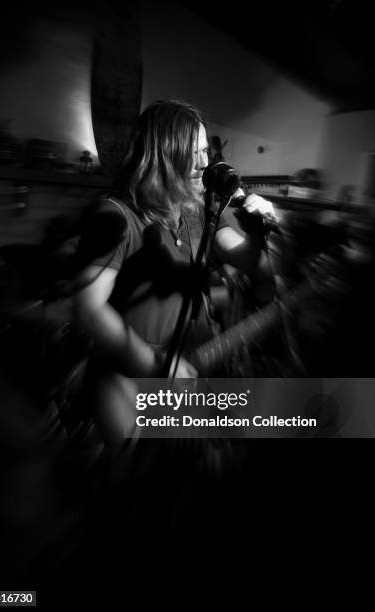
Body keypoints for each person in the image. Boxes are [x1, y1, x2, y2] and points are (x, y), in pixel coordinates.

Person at [74, 99, 277, 448]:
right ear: (164, 153)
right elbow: (89, 309)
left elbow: (253, 265)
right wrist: (156, 365)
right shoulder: (116, 215)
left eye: (205, 151)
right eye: (193, 152)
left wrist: (258, 230)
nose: (205, 163)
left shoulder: (201, 210)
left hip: (190, 363)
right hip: (130, 376)